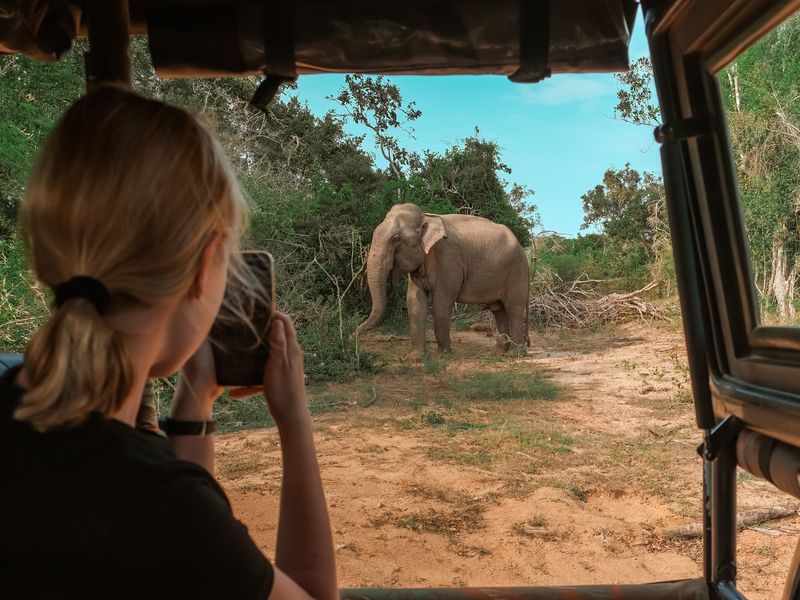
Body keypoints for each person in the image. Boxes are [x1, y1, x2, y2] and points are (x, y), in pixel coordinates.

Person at [0, 86, 337, 600]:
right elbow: (310, 593)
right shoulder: (162, 513)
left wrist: (194, 403)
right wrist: (295, 419)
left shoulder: (21, 411)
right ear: (205, 268)